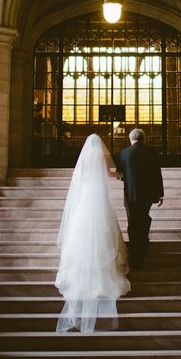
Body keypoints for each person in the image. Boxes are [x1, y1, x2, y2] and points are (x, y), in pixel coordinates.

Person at [55, 133, 130, 333]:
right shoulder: (100, 157)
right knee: (103, 226)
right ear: (101, 146)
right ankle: (102, 271)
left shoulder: (84, 158)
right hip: (98, 193)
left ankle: (81, 269)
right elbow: (107, 174)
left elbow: (78, 177)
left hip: (87, 192)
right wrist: (121, 175)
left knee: (83, 226)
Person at [116, 128, 164, 269]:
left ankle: (135, 250)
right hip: (148, 194)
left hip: (131, 194)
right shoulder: (152, 152)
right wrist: (160, 193)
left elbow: (120, 173)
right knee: (144, 217)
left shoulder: (124, 153)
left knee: (133, 220)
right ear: (144, 138)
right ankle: (143, 245)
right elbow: (157, 174)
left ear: (131, 139)